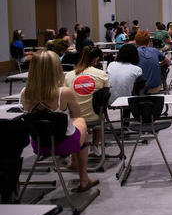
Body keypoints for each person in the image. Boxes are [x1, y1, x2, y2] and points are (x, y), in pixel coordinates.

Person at [21, 51, 98, 192]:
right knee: (81, 123)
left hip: (39, 145)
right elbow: (77, 115)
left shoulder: (24, 93)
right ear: (56, 69)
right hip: (64, 143)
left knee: (73, 125)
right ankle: (84, 179)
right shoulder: (64, 92)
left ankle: (74, 162)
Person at [64, 47, 108, 155]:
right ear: (97, 59)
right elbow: (105, 97)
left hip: (73, 118)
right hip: (94, 117)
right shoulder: (101, 74)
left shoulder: (69, 76)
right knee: (100, 108)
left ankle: (75, 147)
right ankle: (95, 146)